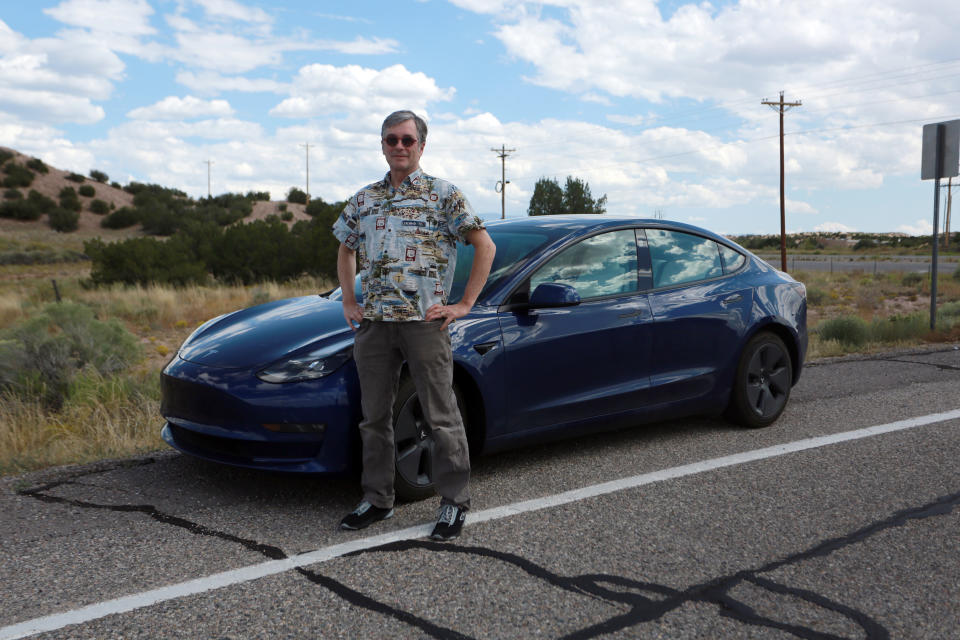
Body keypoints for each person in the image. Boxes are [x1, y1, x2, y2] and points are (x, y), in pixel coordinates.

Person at [332, 110, 496, 541]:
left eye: (407, 140)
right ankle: (378, 499)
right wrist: (349, 299)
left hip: (425, 323)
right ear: (382, 145)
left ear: (422, 145)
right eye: (391, 140)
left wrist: (463, 304)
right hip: (375, 324)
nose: (399, 147)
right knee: (374, 418)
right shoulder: (364, 199)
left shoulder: (445, 196)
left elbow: (485, 245)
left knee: (441, 415)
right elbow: (346, 248)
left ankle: (454, 503)